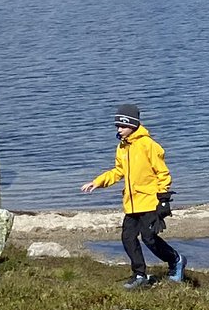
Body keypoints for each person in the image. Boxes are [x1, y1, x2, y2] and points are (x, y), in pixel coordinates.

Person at [80, 103, 186, 289]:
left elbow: (163, 174)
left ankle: (176, 260)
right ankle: (139, 275)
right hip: (132, 203)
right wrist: (98, 182)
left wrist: (163, 199)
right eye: (117, 127)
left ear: (133, 125)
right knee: (127, 237)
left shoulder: (149, 145)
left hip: (150, 201)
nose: (119, 130)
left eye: (122, 126)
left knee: (149, 238)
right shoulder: (122, 147)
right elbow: (118, 171)